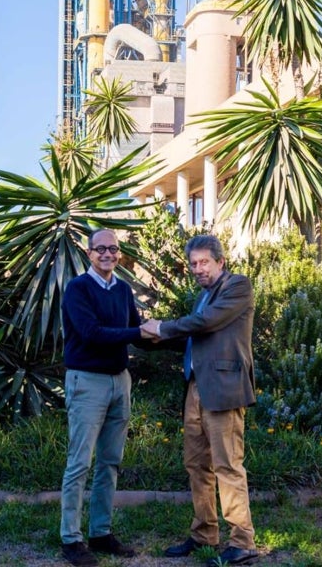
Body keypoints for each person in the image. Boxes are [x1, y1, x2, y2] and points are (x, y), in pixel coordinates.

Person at [142, 234, 258, 566]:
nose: (198, 269)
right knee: (196, 465)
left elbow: (207, 324)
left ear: (221, 261)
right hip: (195, 387)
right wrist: (148, 337)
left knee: (227, 465)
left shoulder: (238, 286)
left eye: (204, 262)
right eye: (193, 264)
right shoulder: (202, 297)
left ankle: (242, 541)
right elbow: (195, 338)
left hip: (223, 388)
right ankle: (205, 533)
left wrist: (162, 326)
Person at [59, 229, 150, 566]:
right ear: (89, 252)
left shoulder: (123, 289)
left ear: (119, 252)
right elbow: (91, 334)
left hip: (119, 382)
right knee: (79, 463)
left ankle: (100, 533)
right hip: (87, 382)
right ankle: (71, 539)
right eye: (101, 249)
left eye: (113, 248)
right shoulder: (77, 289)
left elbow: (136, 334)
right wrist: (139, 331)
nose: (107, 254)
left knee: (109, 462)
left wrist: (178, 333)